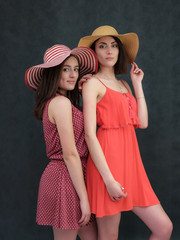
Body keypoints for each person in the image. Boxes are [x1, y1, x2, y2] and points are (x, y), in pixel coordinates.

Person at [78, 25, 173, 240]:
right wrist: (109, 180)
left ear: (120, 51)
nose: (109, 51)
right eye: (102, 46)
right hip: (107, 168)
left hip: (132, 167)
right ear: (94, 52)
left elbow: (143, 122)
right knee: (109, 236)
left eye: (113, 46)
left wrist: (137, 85)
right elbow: (89, 135)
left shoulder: (124, 84)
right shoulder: (93, 84)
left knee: (164, 228)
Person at [25, 44, 98, 240]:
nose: (73, 74)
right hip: (64, 177)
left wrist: (83, 92)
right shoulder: (60, 103)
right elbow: (70, 154)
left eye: (75, 69)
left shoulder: (64, 102)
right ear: (52, 73)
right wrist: (84, 199)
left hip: (72, 175)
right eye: (66, 69)